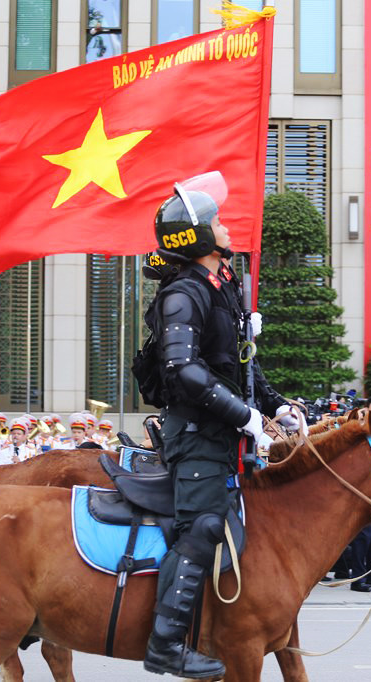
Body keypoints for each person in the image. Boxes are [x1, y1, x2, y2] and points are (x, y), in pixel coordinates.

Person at [144, 181, 295, 678]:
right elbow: (183, 372)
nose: (228, 225)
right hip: (196, 438)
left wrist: (277, 406)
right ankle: (166, 645)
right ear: (198, 237)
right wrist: (247, 418)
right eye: (218, 220)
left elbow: (240, 369)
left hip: (223, 438)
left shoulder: (221, 285)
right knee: (203, 527)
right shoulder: (184, 293)